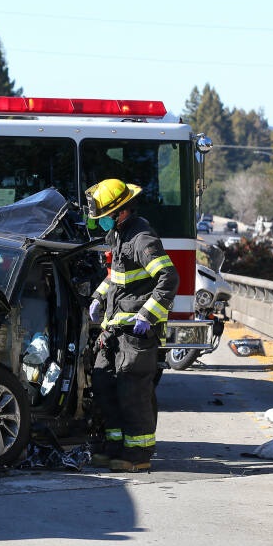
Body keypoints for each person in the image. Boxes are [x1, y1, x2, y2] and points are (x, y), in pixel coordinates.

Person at [85, 179, 178, 473]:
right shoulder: (120, 235)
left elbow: (169, 278)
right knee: (104, 385)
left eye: (104, 217)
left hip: (136, 335)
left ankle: (138, 454)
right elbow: (116, 276)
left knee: (132, 393)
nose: (100, 223)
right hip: (114, 331)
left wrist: (148, 315)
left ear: (121, 212)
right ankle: (115, 448)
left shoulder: (141, 238)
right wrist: (98, 297)